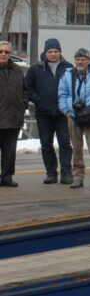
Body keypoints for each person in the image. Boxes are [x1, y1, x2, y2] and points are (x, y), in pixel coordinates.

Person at [58, 48, 90, 190]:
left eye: (83, 59)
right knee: (76, 148)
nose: (80, 62)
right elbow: (62, 93)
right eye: (78, 59)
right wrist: (66, 111)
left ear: (89, 61)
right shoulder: (68, 75)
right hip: (74, 116)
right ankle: (78, 176)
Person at [24, 38, 72, 184]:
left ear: (60, 52)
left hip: (63, 113)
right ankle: (51, 173)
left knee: (65, 143)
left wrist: (67, 104)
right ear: (45, 53)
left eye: (56, 51)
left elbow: (73, 88)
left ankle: (66, 173)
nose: (53, 54)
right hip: (43, 113)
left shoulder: (68, 68)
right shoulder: (35, 69)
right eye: (50, 51)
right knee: (46, 144)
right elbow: (28, 88)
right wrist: (39, 100)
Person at [0, 41, 28, 187]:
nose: (3, 54)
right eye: (1, 52)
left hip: (13, 118)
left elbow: (25, 90)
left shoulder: (17, 70)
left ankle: (7, 177)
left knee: (9, 152)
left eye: (6, 52)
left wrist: (22, 105)